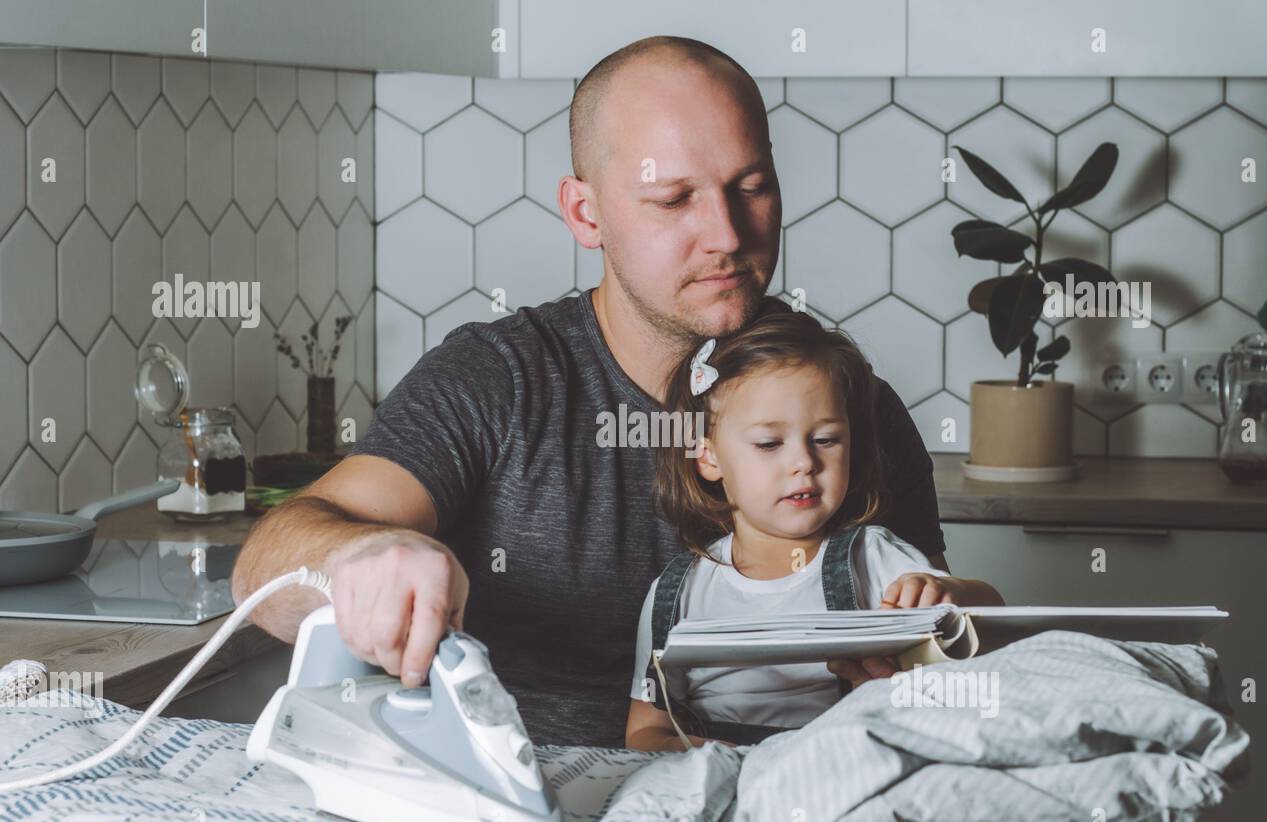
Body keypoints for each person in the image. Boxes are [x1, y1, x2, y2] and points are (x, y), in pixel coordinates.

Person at [231, 35, 953, 748]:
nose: (726, 234)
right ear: (586, 214)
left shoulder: (853, 405)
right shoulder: (498, 379)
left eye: (751, 187)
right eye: (673, 200)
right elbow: (266, 561)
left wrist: (921, 670)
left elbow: (944, 637)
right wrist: (365, 556)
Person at [625, 313, 1004, 752]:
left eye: (825, 439)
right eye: (769, 444)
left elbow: (992, 622)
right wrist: (721, 759)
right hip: (720, 778)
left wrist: (952, 594)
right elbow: (644, 732)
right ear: (708, 457)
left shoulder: (876, 558)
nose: (804, 462)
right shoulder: (679, 593)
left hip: (845, 767)